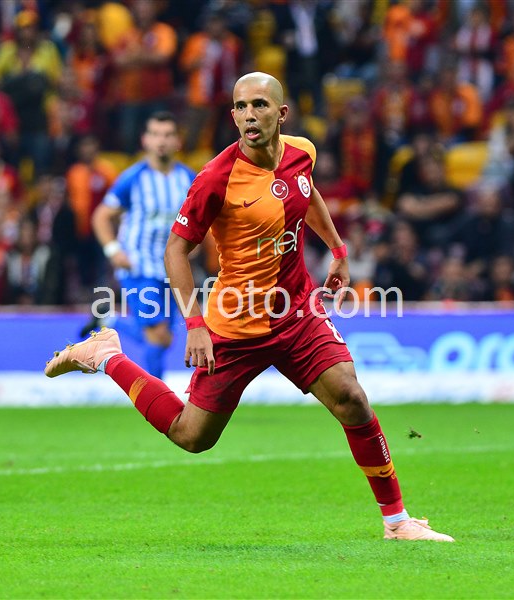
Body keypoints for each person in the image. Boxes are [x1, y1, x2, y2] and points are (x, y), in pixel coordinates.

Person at [46, 72, 454, 542]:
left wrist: (338, 249)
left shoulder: (302, 153)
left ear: (282, 114)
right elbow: (176, 250)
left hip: (296, 312)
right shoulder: (216, 178)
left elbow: (306, 192)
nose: (248, 115)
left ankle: (397, 522)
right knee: (191, 436)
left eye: (259, 105)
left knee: (352, 399)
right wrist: (195, 325)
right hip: (236, 324)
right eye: (240, 107)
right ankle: (105, 355)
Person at [85, 112, 195, 380]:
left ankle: (109, 320)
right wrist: (113, 251)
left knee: (164, 339)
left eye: (168, 135)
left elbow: (199, 218)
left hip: (172, 269)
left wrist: (196, 243)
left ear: (178, 141)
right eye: (156, 135)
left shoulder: (188, 179)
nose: (161, 141)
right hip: (138, 266)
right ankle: (158, 398)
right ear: (145, 140)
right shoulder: (132, 179)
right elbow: (101, 216)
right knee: (157, 335)